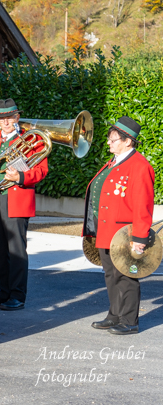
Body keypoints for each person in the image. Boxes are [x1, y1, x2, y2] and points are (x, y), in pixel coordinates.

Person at [84, 116, 154, 335]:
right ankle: (114, 315)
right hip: (106, 230)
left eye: (113, 139)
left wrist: (139, 239)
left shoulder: (140, 166)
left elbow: (143, 205)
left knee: (126, 275)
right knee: (110, 273)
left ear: (128, 141)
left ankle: (129, 320)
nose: (108, 143)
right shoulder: (114, 162)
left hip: (124, 233)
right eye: (109, 139)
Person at [0, 99, 48, 311]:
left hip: (16, 198)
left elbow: (41, 170)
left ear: (17, 117)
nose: (5, 122)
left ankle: (18, 294)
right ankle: (3, 291)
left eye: (9, 117)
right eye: (1, 118)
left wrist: (19, 176)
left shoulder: (31, 140)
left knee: (16, 250)